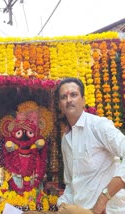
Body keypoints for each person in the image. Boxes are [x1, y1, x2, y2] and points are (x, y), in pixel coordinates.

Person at [56, 77, 125, 214]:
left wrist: (104, 197)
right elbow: (71, 184)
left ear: (83, 101)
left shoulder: (98, 126)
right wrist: (63, 204)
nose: (69, 100)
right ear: (60, 105)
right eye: (64, 97)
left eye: (74, 95)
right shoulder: (66, 139)